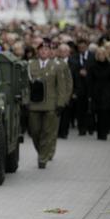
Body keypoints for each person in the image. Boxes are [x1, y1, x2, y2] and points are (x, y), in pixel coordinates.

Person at [27, 40, 69, 168]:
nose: (44, 52)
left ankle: (42, 158)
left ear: (50, 52)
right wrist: (25, 101)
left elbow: (61, 86)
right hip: (34, 104)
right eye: (41, 50)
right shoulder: (31, 65)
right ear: (38, 52)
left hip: (51, 104)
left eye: (46, 50)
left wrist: (61, 103)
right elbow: (25, 85)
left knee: (47, 132)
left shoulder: (56, 66)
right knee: (35, 132)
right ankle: (42, 152)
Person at [88, 43, 110, 140]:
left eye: (103, 54)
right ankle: (100, 133)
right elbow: (90, 81)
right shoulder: (93, 67)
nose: (101, 56)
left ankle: (104, 133)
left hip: (107, 93)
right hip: (96, 93)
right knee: (98, 114)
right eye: (99, 54)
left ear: (106, 55)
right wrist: (90, 94)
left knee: (105, 113)